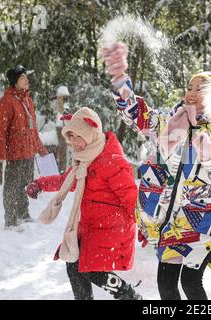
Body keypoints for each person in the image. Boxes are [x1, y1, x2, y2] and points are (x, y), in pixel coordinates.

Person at [101, 42, 211, 300]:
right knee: (166, 286)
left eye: (201, 90)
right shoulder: (172, 122)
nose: (191, 93)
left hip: (201, 222)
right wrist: (120, 80)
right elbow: (141, 117)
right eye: (190, 87)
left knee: (191, 283)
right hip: (170, 221)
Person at [25, 107, 141, 300]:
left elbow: (131, 197)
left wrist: (145, 226)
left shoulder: (111, 161)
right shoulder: (84, 160)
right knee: (73, 264)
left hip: (112, 228)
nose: (74, 142)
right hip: (91, 227)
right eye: (70, 136)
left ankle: (129, 296)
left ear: (91, 133)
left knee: (90, 268)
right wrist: (41, 184)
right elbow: (67, 180)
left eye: (79, 136)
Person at [0, 65, 48, 231]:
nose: (27, 80)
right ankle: (10, 220)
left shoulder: (28, 100)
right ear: (15, 82)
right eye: (23, 77)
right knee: (12, 186)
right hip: (14, 151)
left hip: (28, 151)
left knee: (26, 185)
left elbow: (33, 129)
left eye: (26, 77)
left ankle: (23, 214)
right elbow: (2, 129)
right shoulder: (7, 100)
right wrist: (1, 153)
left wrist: (40, 148)